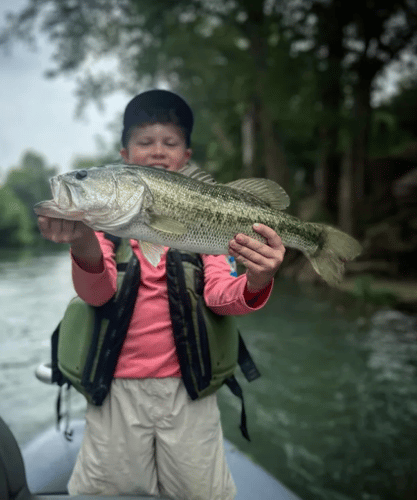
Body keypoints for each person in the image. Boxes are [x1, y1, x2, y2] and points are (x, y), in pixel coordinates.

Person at [37, 89, 285, 500]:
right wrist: (81, 242)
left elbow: (223, 295)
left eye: (169, 143)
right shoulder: (102, 229)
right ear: (123, 157)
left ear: (186, 156)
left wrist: (258, 279)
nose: (157, 151)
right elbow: (97, 295)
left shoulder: (207, 221)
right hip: (114, 392)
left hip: (189, 393)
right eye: (144, 142)